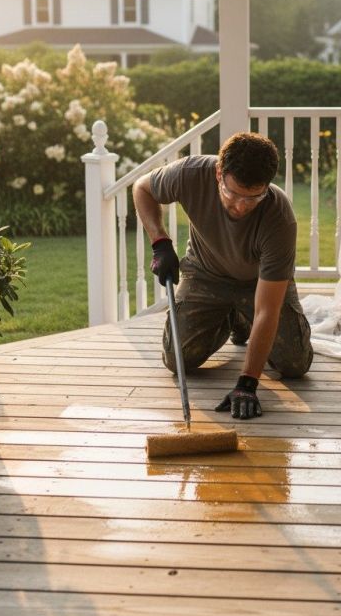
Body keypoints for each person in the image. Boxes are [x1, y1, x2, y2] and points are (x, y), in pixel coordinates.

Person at [132, 132, 313, 420]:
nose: (241, 206)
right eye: (232, 194)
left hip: (259, 283)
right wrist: (160, 242)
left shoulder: (279, 218)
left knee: (295, 364)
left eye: (253, 197)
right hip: (206, 274)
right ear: (219, 173)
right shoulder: (190, 174)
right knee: (177, 359)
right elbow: (142, 188)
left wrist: (247, 383)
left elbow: (267, 309)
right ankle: (233, 316)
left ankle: (243, 315)